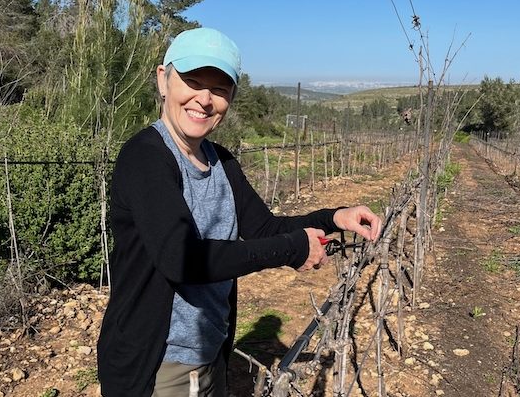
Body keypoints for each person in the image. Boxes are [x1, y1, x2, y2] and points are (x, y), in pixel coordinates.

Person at [97, 27, 381, 397]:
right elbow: (181, 259)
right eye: (192, 81)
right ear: (163, 80)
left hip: (209, 350)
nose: (204, 99)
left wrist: (333, 217)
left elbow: (263, 227)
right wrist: (292, 249)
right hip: (158, 363)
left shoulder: (221, 161)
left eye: (219, 89)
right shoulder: (146, 157)